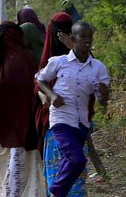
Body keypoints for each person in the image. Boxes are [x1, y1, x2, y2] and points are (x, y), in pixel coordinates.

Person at [36, 21, 110, 197]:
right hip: (61, 119)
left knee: (70, 162)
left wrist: (104, 93)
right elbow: (40, 79)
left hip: (82, 124)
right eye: (83, 36)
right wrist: (52, 96)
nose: (87, 40)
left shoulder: (98, 67)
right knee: (78, 159)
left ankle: (57, 192)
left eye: (89, 37)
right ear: (73, 39)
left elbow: (103, 102)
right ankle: (56, 191)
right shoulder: (59, 62)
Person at [0, 22, 44, 196]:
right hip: (25, 133)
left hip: (1, 132)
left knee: (2, 175)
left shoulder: (0, 65)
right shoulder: (28, 61)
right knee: (24, 177)